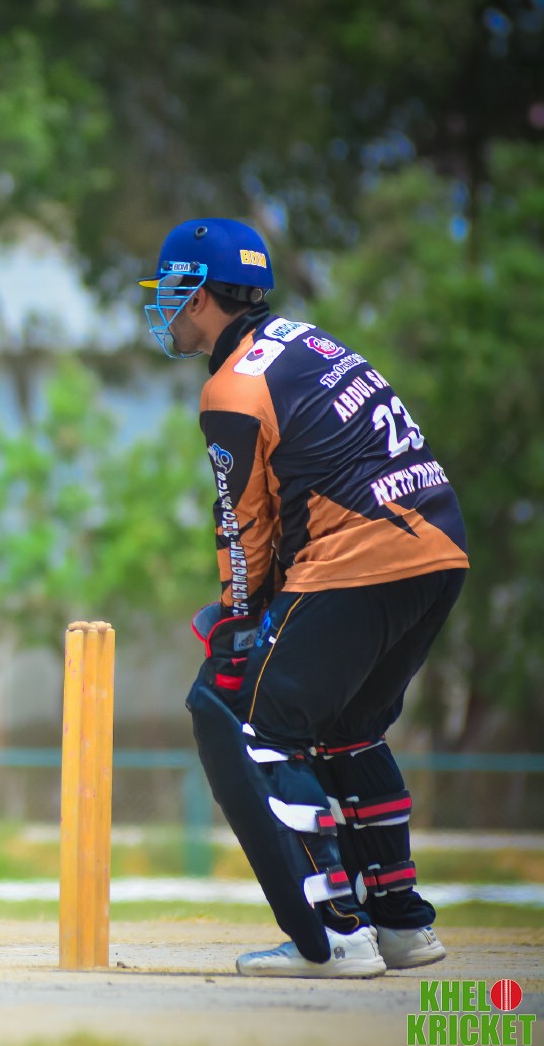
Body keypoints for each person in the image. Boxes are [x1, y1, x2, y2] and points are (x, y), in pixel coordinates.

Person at [140, 219, 467, 979]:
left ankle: (334, 935)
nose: (165, 308)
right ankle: (400, 925)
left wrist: (236, 617)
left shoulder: (231, 386)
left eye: (171, 291)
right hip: (439, 551)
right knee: (350, 731)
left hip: (359, 559)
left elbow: (242, 525)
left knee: (266, 731)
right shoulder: (308, 341)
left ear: (199, 294)